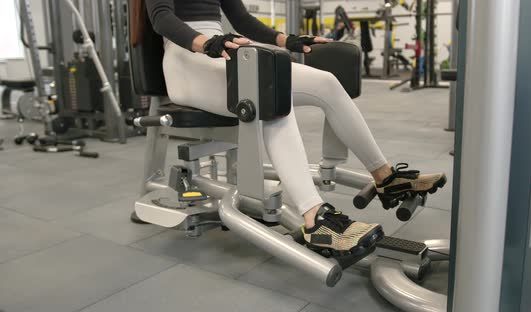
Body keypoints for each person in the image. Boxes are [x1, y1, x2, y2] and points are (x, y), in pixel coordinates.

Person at [133, 0, 446, 255]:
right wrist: (208, 43)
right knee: (269, 90)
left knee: (326, 82)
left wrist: (290, 41)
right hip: (187, 61)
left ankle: (385, 178)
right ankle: (314, 218)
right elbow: (161, 17)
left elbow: (241, 19)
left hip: (219, 50)